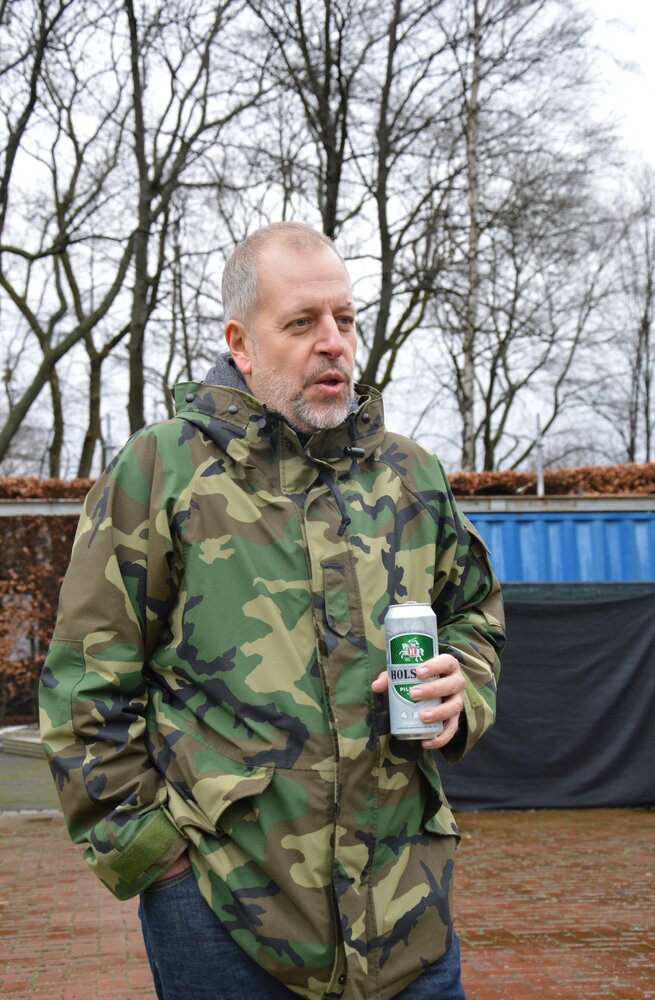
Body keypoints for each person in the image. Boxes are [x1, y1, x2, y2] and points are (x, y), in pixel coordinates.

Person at [39, 221, 505, 1000]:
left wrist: (469, 686)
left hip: (405, 907)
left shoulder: (409, 475)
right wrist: (158, 861)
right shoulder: (162, 470)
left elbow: (474, 612)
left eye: (345, 320)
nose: (333, 343)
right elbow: (85, 686)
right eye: (301, 323)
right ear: (241, 342)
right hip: (227, 914)